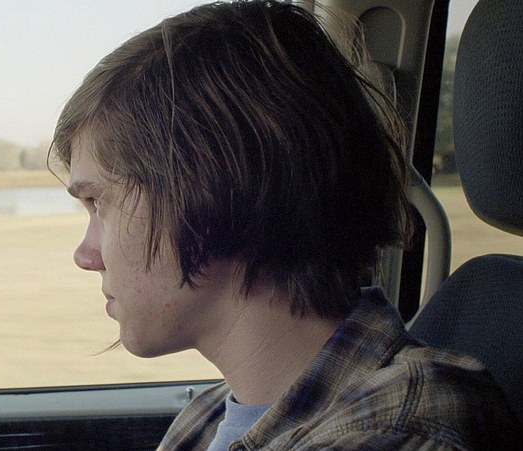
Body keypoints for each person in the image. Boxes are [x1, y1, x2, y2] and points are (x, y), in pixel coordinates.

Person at [50, 1, 522, 449]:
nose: (85, 256)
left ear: (212, 193)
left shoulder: (399, 433)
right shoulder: (213, 414)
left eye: (99, 203)